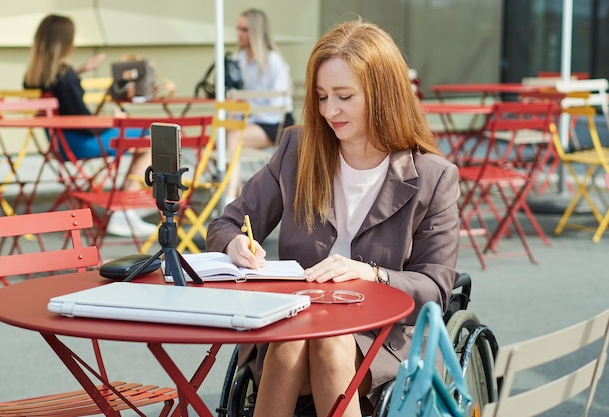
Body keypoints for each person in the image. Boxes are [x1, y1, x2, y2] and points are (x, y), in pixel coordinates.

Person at [206, 18, 460, 417]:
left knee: (325, 339)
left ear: (383, 95)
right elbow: (224, 224)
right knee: (298, 335)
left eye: (344, 96)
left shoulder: (432, 177)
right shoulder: (297, 150)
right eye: (322, 96)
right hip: (294, 325)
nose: (329, 110)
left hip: (382, 339)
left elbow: (435, 289)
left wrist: (370, 273)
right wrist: (236, 242)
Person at [23, 14, 156, 238]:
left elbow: (61, 90)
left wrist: (78, 72)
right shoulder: (65, 77)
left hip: (60, 142)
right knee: (149, 138)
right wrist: (115, 121)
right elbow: (84, 121)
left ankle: (125, 207)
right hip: (79, 142)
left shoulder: (35, 76)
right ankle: (124, 209)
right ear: (66, 43)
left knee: (140, 139)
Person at [225, 8, 296, 201]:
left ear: (256, 31)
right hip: (252, 121)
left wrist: (247, 107)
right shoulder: (237, 60)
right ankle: (235, 189)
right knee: (221, 134)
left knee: (233, 136)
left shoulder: (273, 61)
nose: (239, 34)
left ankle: (230, 195)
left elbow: (277, 105)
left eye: (245, 29)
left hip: (276, 123)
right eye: (238, 29)